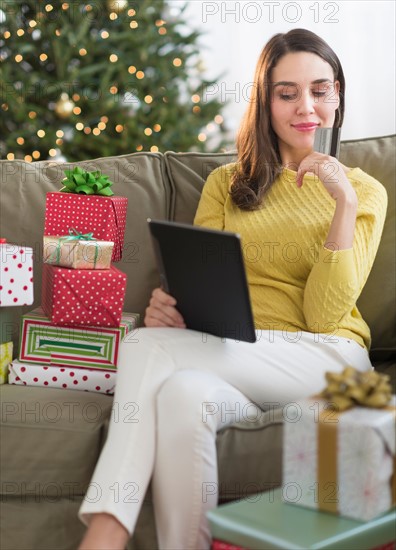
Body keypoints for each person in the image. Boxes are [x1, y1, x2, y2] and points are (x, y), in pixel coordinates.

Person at [78, 28, 387, 550]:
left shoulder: (362, 191)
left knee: (143, 347)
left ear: (338, 94)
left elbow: (323, 314)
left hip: (330, 359)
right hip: (238, 356)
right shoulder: (228, 183)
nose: (306, 106)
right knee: (180, 394)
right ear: (265, 102)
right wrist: (168, 309)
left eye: (320, 89)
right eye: (286, 93)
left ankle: (106, 531)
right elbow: (203, 285)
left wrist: (342, 204)